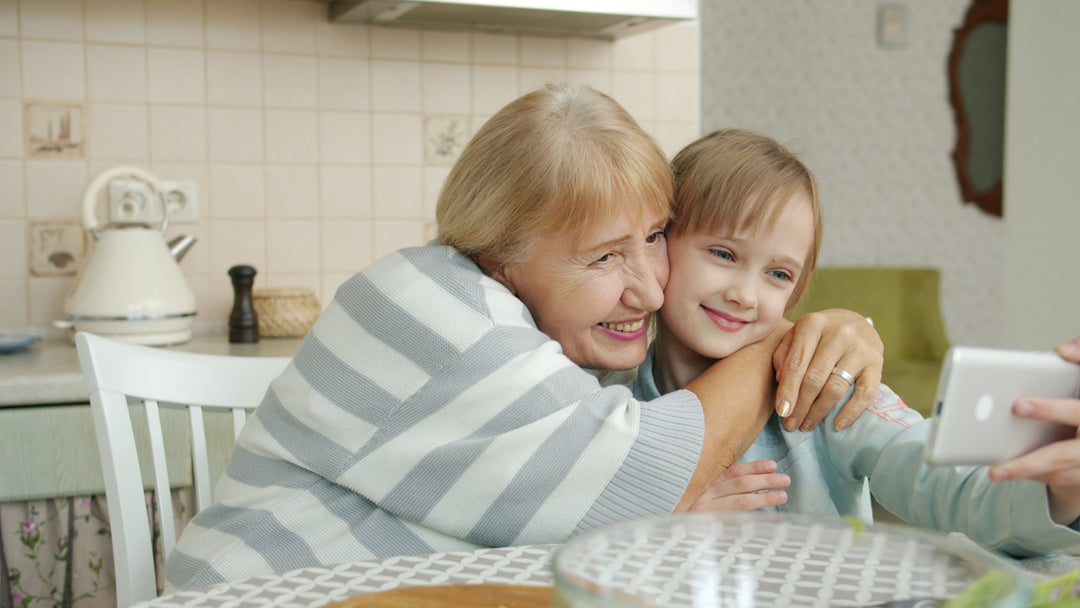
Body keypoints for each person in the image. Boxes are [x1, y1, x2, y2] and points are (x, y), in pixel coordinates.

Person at [163, 84, 884, 591]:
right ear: (502, 249)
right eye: (604, 256)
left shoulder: (542, 335)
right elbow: (649, 474)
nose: (651, 288)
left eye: (655, 237)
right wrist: (782, 341)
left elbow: (567, 520)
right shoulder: (436, 309)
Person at [631, 127, 1080, 557]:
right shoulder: (612, 399)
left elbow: (945, 481)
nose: (744, 295)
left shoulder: (824, 385)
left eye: (778, 274)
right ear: (659, 243)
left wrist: (1058, 491)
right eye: (724, 254)